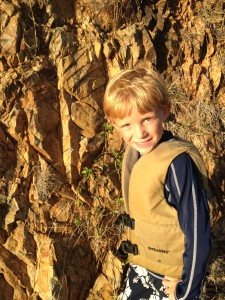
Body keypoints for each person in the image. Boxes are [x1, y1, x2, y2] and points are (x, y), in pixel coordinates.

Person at [103, 67, 212, 300]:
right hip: (141, 270)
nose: (139, 133)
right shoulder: (136, 154)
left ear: (164, 111)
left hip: (172, 281)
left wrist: (185, 294)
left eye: (147, 119)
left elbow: (198, 232)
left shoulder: (177, 163)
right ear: (113, 123)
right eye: (127, 126)